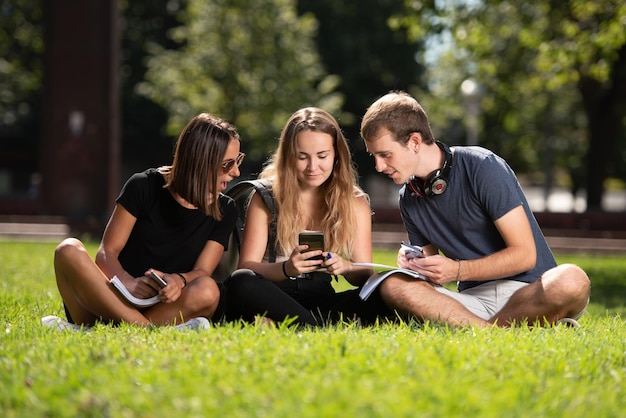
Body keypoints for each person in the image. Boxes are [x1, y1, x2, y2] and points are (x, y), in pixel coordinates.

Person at [360, 91, 590, 328]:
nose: (378, 166)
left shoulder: (482, 165)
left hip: (529, 291)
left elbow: (525, 255)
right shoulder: (408, 198)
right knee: (392, 285)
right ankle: (503, 330)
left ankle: (483, 327)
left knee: (572, 280)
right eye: (374, 156)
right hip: (472, 301)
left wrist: (457, 270)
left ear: (415, 142)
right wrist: (415, 266)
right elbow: (431, 280)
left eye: (385, 155)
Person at [43, 113, 244, 331]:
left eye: (237, 160)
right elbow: (106, 252)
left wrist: (179, 280)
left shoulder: (226, 209)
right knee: (67, 250)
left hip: (166, 306)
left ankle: (107, 331)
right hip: (112, 297)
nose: (236, 172)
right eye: (227, 164)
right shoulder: (144, 186)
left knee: (208, 290)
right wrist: (128, 282)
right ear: (200, 162)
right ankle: (144, 330)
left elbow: (202, 271)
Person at [224, 107, 385, 326]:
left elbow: (365, 275)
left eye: (322, 156)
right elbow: (246, 267)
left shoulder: (354, 202)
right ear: (289, 157)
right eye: (302, 157)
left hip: (322, 297)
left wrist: (345, 267)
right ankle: (315, 327)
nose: (312, 167)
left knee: (385, 293)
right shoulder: (265, 196)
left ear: (336, 155)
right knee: (240, 282)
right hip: (273, 296)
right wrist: (287, 268)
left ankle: (302, 324)